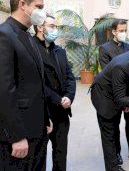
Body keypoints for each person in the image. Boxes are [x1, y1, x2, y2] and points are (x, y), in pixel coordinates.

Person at [0, 0, 50, 170]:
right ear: (22, 4)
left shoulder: (27, 36)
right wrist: (16, 136)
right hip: (19, 136)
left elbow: (34, 82)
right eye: (38, 7)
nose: (42, 12)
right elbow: (4, 90)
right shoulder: (4, 34)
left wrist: (45, 120)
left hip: (37, 129)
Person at [99, 19, 129, 164]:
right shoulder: (105, 49)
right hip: (115, 94)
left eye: (125, 30)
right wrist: (121, 96)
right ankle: (117, 153)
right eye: (121, 30)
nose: (123, 33)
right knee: (114, 125)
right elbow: (109, 73)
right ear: (114, 31)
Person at [33, 15, 76, 171]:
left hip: (62, 112)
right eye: (52, 26)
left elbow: (70, 77)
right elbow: (36, 84)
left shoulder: (59, 51)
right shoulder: (31, 48)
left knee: (60, 154)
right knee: (39, 156)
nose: (55, 30)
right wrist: (58, 99)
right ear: (39, 27)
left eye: (55, 26)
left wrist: (69, 97)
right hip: (42, 113)